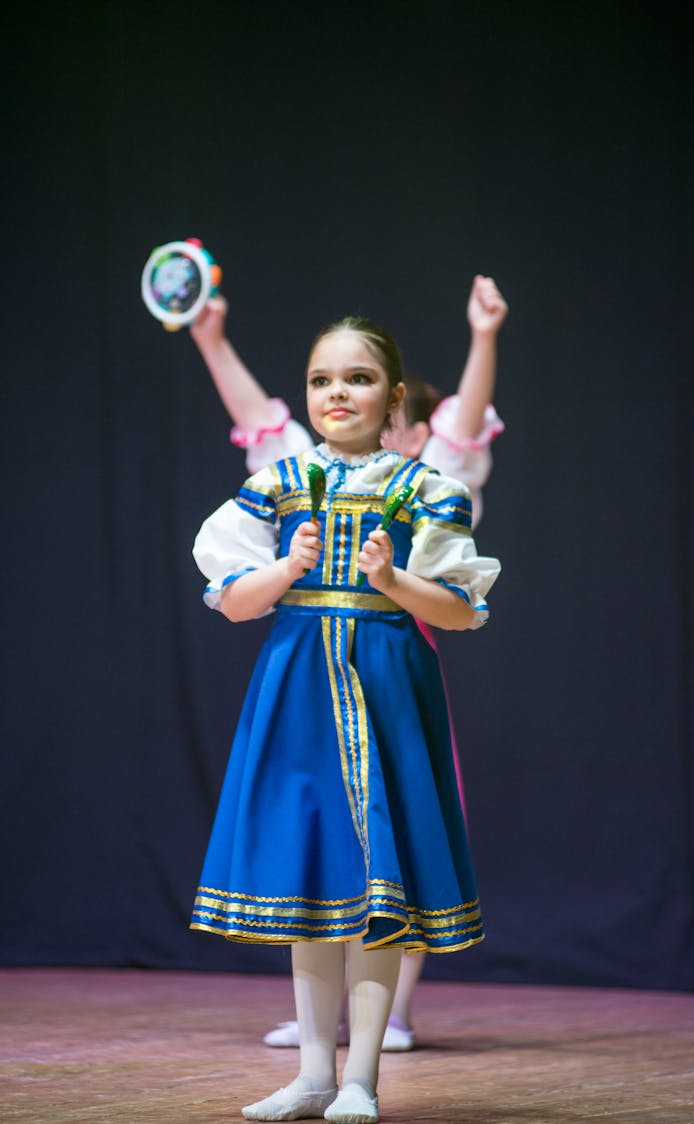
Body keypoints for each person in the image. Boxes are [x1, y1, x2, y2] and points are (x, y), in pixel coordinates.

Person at [191, 314, 500, 1123]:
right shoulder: (281, 482)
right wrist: (285, 569)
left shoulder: (427, 488)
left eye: (358, 379)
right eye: (323, 379)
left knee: (380, 883)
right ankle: (313, 1074)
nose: (338, 394)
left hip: (387, 685)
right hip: (298, 690)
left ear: (393, 396)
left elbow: (463, 611)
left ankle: (360, 1076)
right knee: (314, 879)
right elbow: (231, 600)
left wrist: (394, 580)